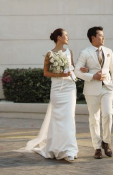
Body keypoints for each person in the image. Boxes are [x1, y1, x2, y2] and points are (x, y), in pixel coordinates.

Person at [16, 28, 79, 162]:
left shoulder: (70, 52)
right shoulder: (49, 54)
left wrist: (76, 71)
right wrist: (61, 74)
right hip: (57, 88)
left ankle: (70, 150)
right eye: (66, 35)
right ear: (59, 37)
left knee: (69, 117)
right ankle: (56, 148)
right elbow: (46, 73)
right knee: (57, 119)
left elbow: (72, 67)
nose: (68, 37)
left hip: (69, 88)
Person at [74, 26, 113, 159]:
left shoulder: (109, 51)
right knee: (94, 119)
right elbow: (77, 71)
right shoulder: (85, 52)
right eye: (100, 36)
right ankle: (97, 148)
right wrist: (93, 76)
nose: (103, 38)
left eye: (103, 36)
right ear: (93, 37)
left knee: (108, 114)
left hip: (107, 88)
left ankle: (106, 142)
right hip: (91, 89)